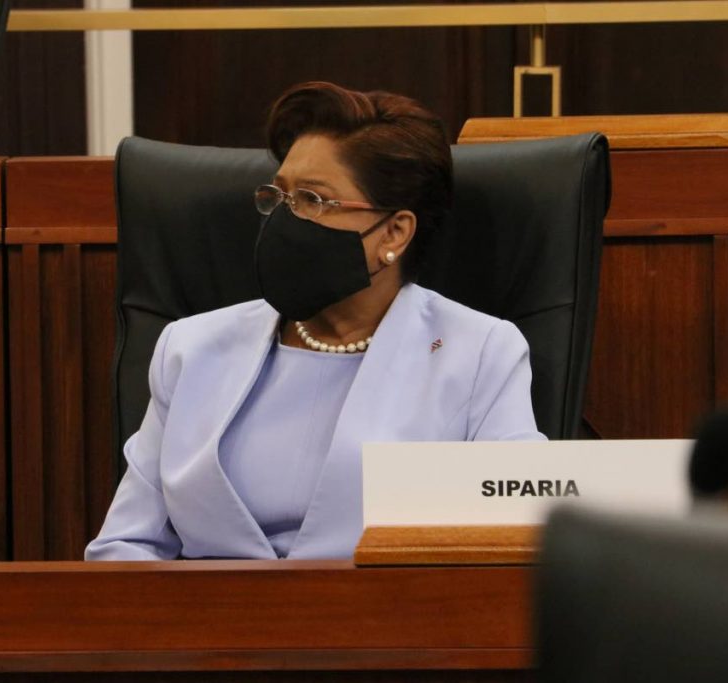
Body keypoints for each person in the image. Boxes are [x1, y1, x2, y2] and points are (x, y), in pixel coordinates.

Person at [86, 81, 544, 561]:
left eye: (312, 200)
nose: (285, 220)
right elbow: (126, 545)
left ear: (393, 232)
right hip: (206, 628)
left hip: (391, 626)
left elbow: (513, 545)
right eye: (278, 196)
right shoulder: (190, 347)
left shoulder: (480, 352)